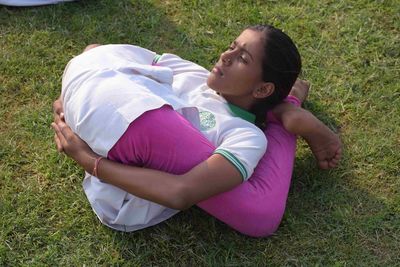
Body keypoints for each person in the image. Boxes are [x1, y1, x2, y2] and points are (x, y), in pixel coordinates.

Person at [52, 25, 342, 237]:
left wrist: (89, 161)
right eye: (232, 45)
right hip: (115, 127)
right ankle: (286, 109)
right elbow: (99, 54)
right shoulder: (192, 73)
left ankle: (289, 113)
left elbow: (181, 192)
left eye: (242, 58)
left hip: (123, 195)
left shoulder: (246, 137)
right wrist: (69, 100)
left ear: (263, 88)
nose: (226, 55)